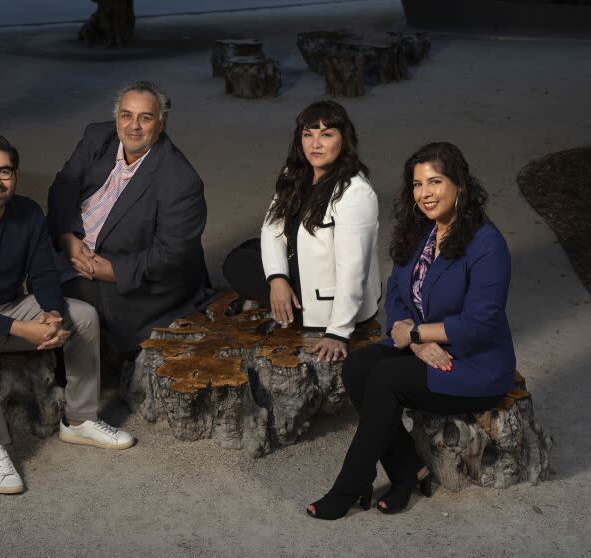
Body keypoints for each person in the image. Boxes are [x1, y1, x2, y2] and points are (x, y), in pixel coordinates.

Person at [306, 142, 516, 520]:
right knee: (357, 367)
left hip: (472, 364)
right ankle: (407, 470)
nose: (425, 193)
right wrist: (416, 342)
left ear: (460, 185)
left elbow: (480, 324)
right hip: (427, 345)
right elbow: (398, 297)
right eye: (417, 185)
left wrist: (417, 335)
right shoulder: (419, 232)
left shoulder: (487, 244)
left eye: (435, 181)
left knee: (386, 376)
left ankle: (351, 484)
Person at [0, 132, 134, 496]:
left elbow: (44, 274)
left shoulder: (29, 212)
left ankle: (80, 419)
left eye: (3, 172)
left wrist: (49, 313)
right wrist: (23, 329)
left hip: (8, 306)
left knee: (82, 316)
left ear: (15, 175)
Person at [47, 81, 212, 358]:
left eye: (145, 118)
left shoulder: (182, 181)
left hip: (130, 275)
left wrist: (109, 271)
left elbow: (170, 256)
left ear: (161, 124)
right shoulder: (97, 137)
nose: (133, 126)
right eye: (126, 115)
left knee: (64, 302)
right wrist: (67, 238)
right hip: (74, 245)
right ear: (117, 118)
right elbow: (64, 185)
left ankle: (70, 382)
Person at [222, 100, 381, 361]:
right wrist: (277, 279)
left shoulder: (356, 193)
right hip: (300, 268)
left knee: (241, 262)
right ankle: (283, 285)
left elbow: (353, 268)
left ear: (344, 140)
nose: (315, 144)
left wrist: (338, 332)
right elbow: (272, 228)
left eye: (326, 134)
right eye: (308, 134)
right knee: (241, 256)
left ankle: (295, 309)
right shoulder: (295, 173)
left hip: (325, 303)